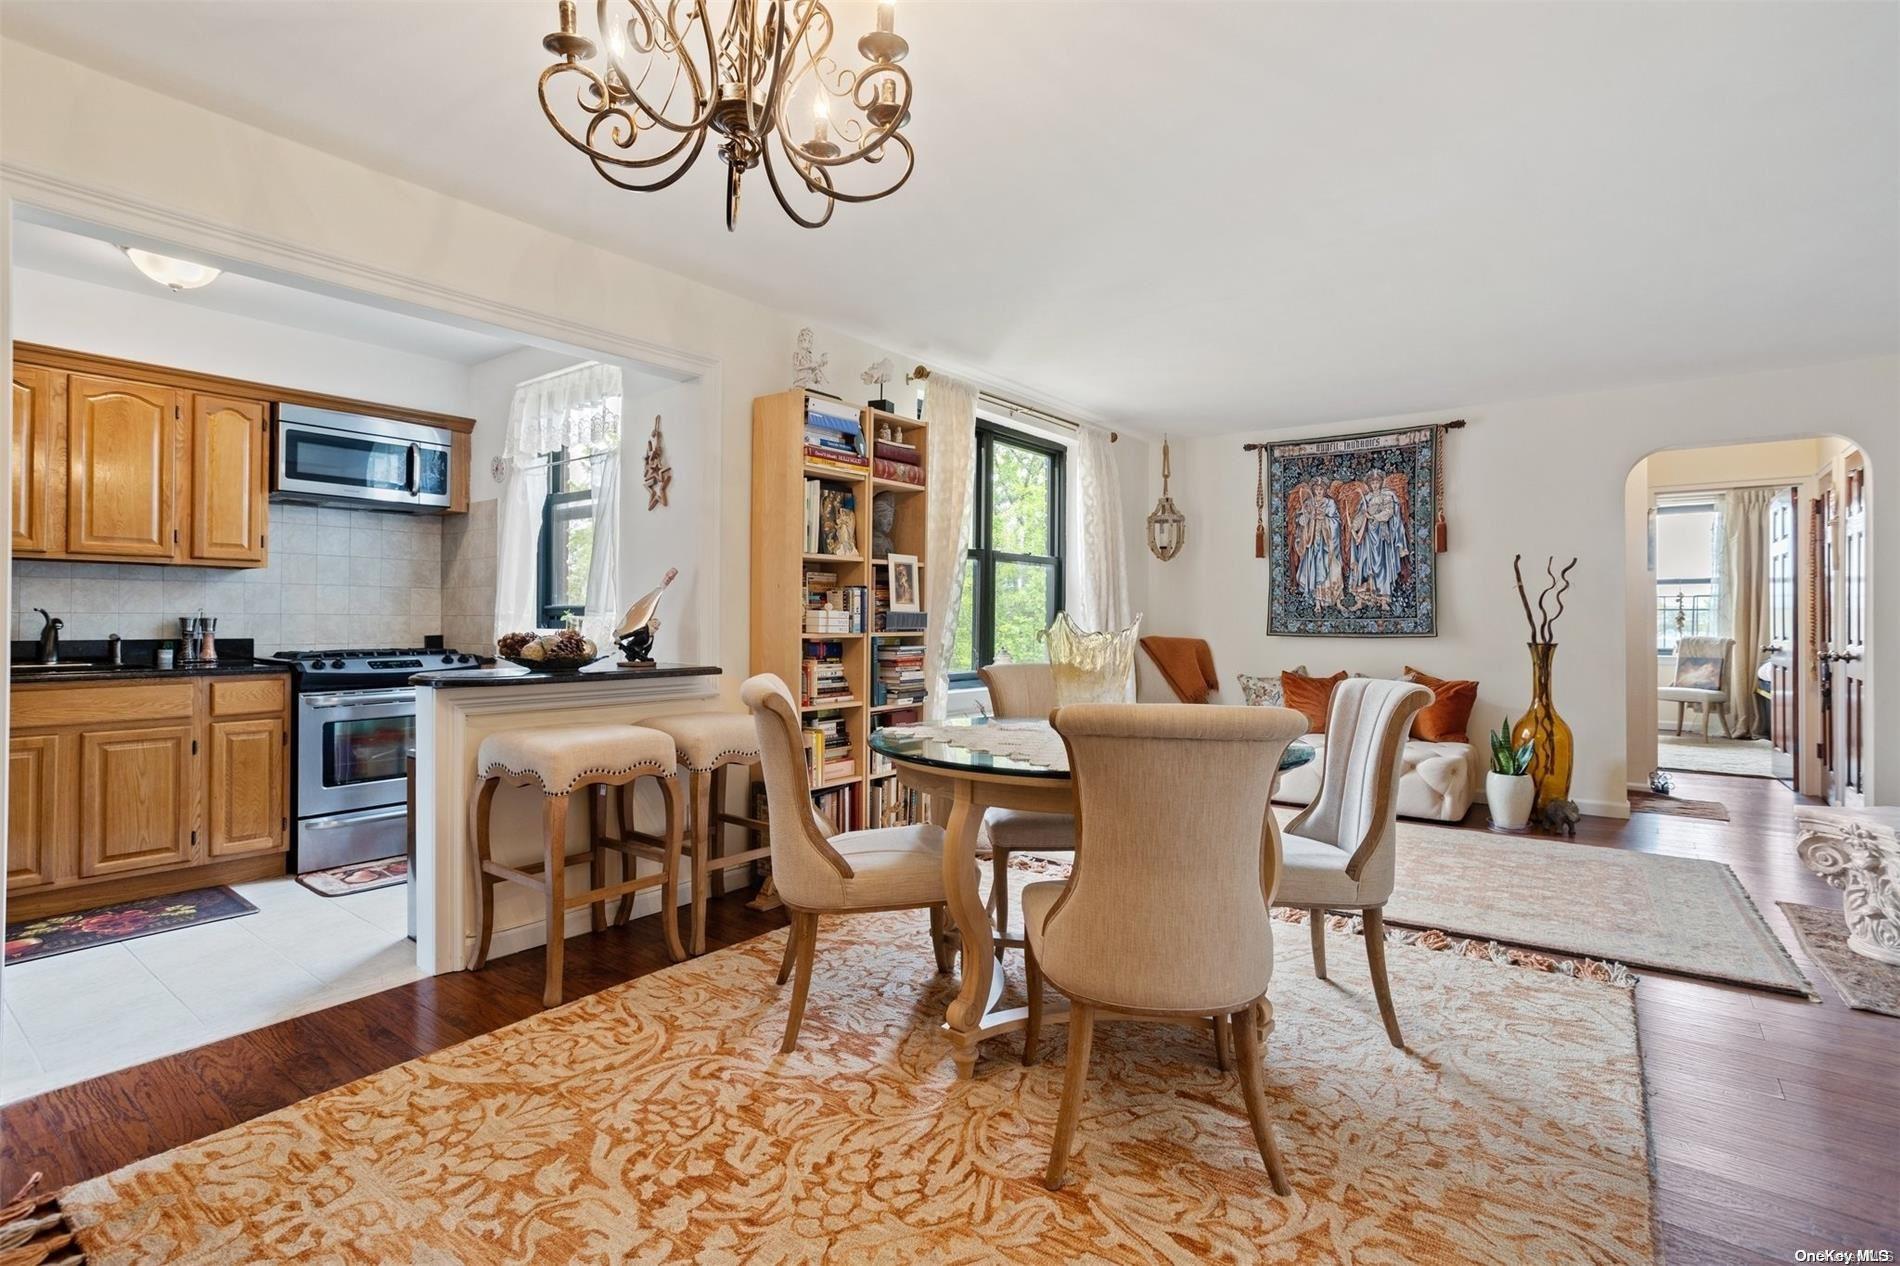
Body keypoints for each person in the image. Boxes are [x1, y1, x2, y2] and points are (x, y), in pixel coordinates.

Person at [1348, 469, 1408, 610]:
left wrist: (1374, 517)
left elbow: (1389, 512)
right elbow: (1361, 516)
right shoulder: (1367, 498)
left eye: (1377, 482)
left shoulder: (1387, 496)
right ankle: (1361, 600)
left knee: (1382, 566)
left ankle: (1383, 600)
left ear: (1381, 482)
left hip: (1381, 536)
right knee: (1365, 564)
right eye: (1372, 482)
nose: (1374, 485)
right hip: (1368, 536)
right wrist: (1354, 526)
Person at [1293, 476, 1343, 612]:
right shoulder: (1309, 503)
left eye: (1321, 489)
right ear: (1314, 490)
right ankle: (1317, 602)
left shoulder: (1330, 503)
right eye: (1317, 489)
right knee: (1315, 568)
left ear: (1325, 490)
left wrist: (1324, 519)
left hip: (1328, 543)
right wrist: (1306, 519)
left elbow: (1336, 522)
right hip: (1313, 542)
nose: (1319, 491)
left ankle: (1335, 599)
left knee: (1332, 569)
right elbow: (1301, 520)